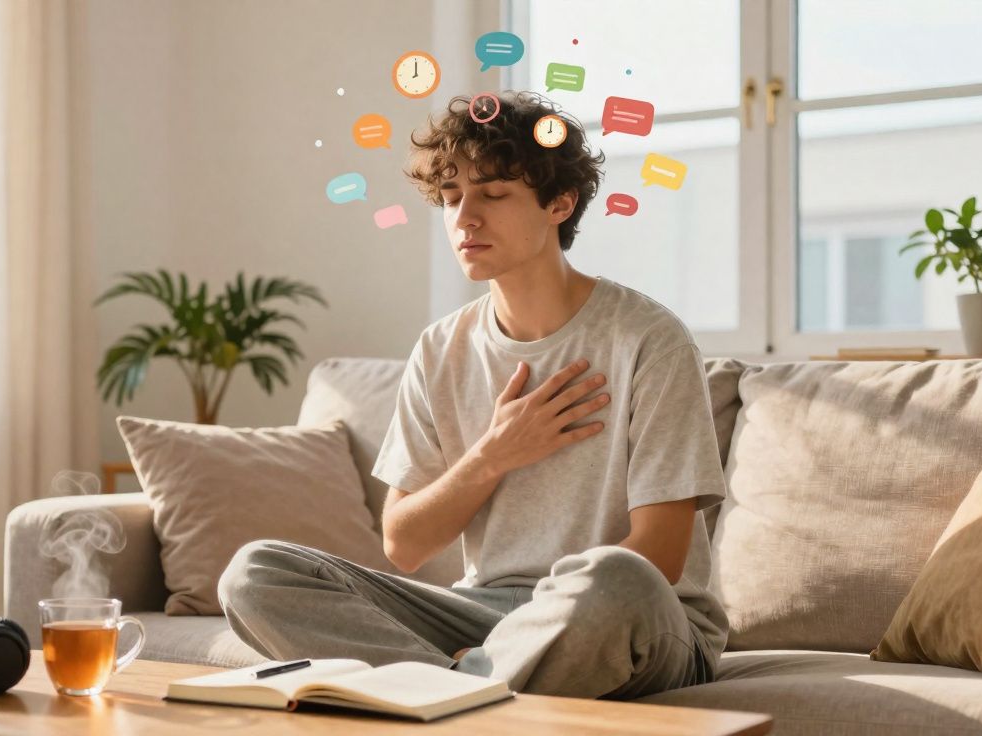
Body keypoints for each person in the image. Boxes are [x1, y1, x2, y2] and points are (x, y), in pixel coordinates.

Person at [218, 91, 728, 699]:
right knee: (256, 573)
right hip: (482, 614)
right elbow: (403, 544)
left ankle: (448, 688)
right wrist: (494, 454)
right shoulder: (440, 349)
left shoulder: (649, 339)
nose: (465, 218)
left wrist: (544, 618)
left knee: (611, 577)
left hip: (634, 618)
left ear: (558, 205)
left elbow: (659, 559)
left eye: (493, 194)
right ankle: (470, 688)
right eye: (453, 197)